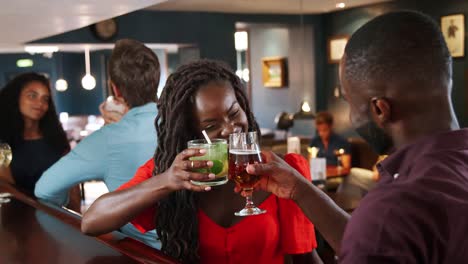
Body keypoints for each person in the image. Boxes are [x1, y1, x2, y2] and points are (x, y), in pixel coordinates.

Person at [244, 11, 468, 263]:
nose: (351, 117)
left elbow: (380, 235)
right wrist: (300, 189)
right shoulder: (397, 219)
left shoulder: (391, 210)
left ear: (380, 109)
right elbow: (383, 242)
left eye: (350, 103)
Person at [81, 60, 322, 264]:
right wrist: (167, 181)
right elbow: (91, 223)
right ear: (191, 132)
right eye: (210, 125)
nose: (230, 129)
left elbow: (305, 260)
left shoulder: (283, 170)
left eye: (234, 112)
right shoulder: (171, 173)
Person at [35, 39, 161, 249]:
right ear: (157, 80)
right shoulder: (184, 120)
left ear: (116, 90)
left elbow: (44, 190)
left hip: (141, 252)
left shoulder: (108, 138)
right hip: (199, 249)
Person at [0, 73, 70, 198]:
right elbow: (6, 187)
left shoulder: (57, 139)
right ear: (15, 97)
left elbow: (71, 184)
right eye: (32, 96)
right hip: (17, 213)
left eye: (45, 99)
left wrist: (72, 214)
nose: (40, 103)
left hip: (59, 213)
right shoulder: (3, 141)